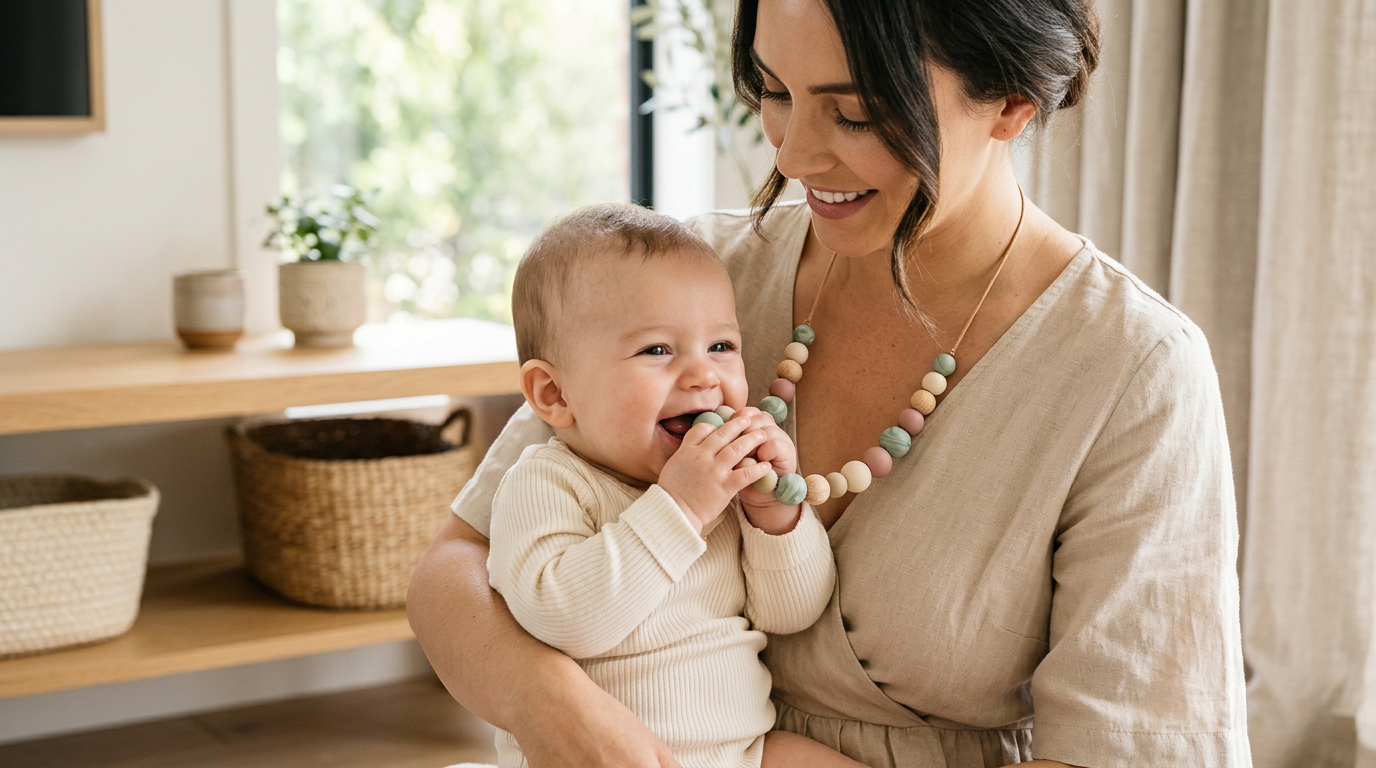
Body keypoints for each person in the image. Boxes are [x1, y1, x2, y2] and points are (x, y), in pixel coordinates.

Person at [408, 0, 1252, 766]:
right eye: (774, 91)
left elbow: (1131, 746)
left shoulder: (1130, 369)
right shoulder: (689, 284)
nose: (793, 152)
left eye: (853, 111)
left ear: (1010, 101)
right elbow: (458, 564)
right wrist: (558, 710)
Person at [484, 203, 859, 768]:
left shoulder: (722, 487)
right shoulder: (547, 481)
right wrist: (680, 507)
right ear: (555, 395)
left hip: (745, 751)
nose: (704, 375)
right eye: (657, 350)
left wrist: (771, 513)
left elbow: (792, 614)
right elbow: (570, 621)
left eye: (722, 347)